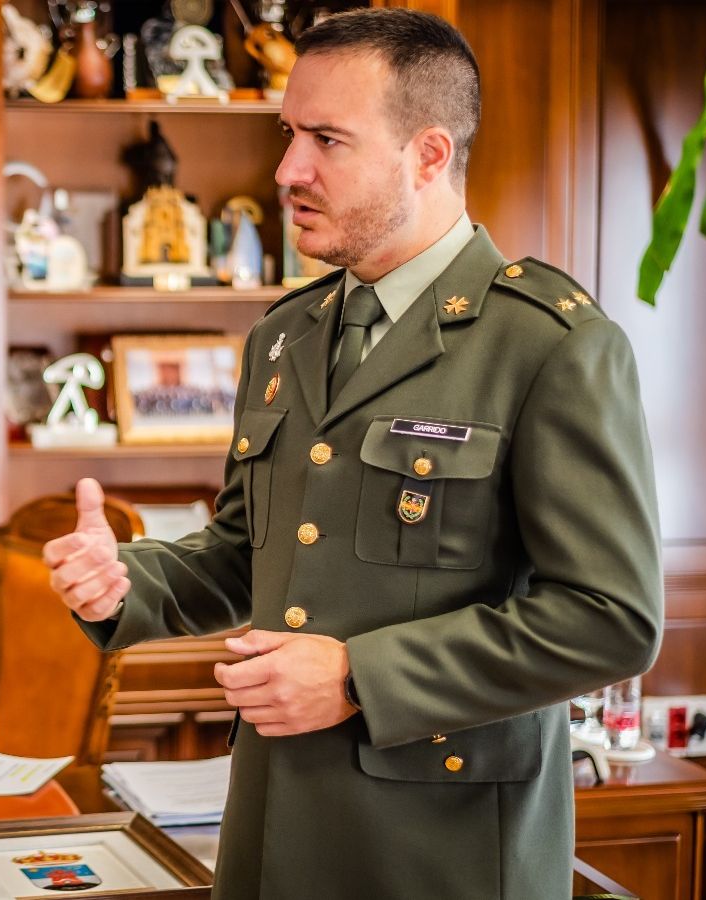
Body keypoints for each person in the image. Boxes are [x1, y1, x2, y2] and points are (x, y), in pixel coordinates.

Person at [44, 10, 662, 899]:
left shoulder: (549, 345)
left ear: (430, 155)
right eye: (289, 134)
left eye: (327, 140)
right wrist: (127, 583)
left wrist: (359, 678)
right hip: (271, 832)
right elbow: (244, 551)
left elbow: (611, 617)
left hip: (440, 856)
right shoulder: (286, 334)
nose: (288, 170)